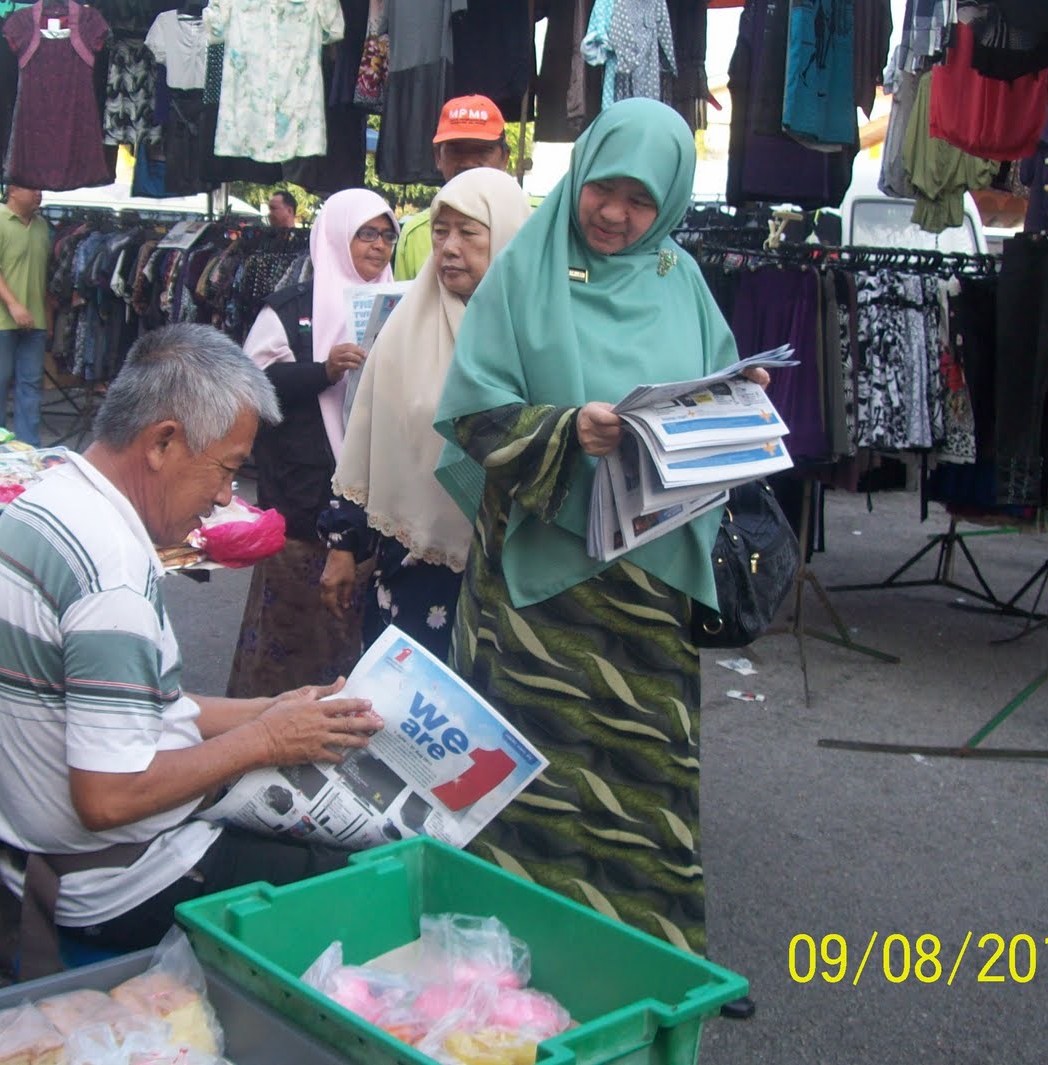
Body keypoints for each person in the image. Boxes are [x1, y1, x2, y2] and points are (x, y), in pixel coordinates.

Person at [432, 98, 770, 1018]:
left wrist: (740, 399)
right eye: (602, 190)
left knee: (644, 764)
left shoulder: (682, 279)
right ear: (577, 176)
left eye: (638, 198)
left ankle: (662, 955)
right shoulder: (527, 271)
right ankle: (496, 960)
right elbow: (468, 414)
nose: (614, 213)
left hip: (646, 581)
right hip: (537, 590)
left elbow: (724, 389)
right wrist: (561, 429)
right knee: (532, 770)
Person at [0, 323, 383, 978]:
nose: (224, 498)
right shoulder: (112, 573)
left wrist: (269, 709)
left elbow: (136, 703)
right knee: (368, 874)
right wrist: (267, 740)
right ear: (162, 442)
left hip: (35, 853)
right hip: (109, 882)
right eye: (225, 470)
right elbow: (110, 796)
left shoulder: (48, 502)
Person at [320, 169, 531, 661]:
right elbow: (364, 445)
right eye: (440, 231)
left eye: (468, 231)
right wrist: (343, 544)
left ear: (506, 235)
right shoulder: (405, 329)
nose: (449, 247)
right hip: (415, 571)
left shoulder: (540, 333)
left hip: (517, 575)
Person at [226, 189, 399, 699]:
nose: (378, 246)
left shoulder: (402, 307)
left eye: (387, 234)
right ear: (336, 236)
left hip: (371, 511)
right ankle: (263, 751)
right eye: (366, 233)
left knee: (354, 652)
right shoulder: (291, 308)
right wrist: (321, 372)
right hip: (302, 508)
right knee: (289, 646)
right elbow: (246, 384)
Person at [392, 95, 512, 282]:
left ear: (504, 157)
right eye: (456, 150)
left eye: (482, 150)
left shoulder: (536, 223)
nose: (468, 162)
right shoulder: (415, 235)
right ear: (437, 157)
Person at [0, 183, 51, 444]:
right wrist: (13, 304)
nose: (39, 192)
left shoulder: (42, 226)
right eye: (33, 187)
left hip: (36, 319)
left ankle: (28, 447)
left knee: (30, 385)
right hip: (0, 319)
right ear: (13, 190)